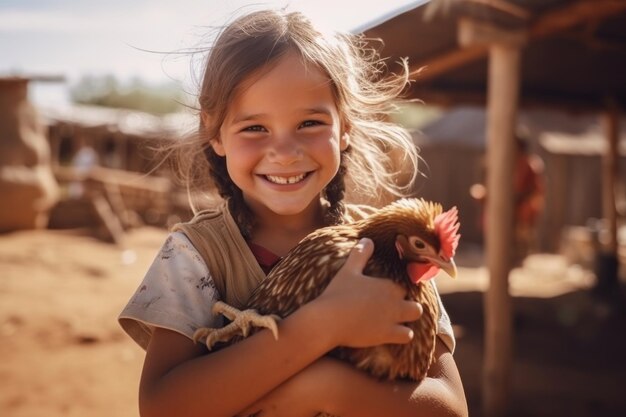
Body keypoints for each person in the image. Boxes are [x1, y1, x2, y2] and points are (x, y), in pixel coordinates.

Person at [119, 9, 467, 417]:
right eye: (254, 128)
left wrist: (325, 389)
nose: (284, 153)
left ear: (345, 126)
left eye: (309, 123)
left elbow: (451, 407)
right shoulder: (197, 255)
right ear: (214, 132)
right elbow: (162, 409)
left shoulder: (395, 247)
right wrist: (321, 327)